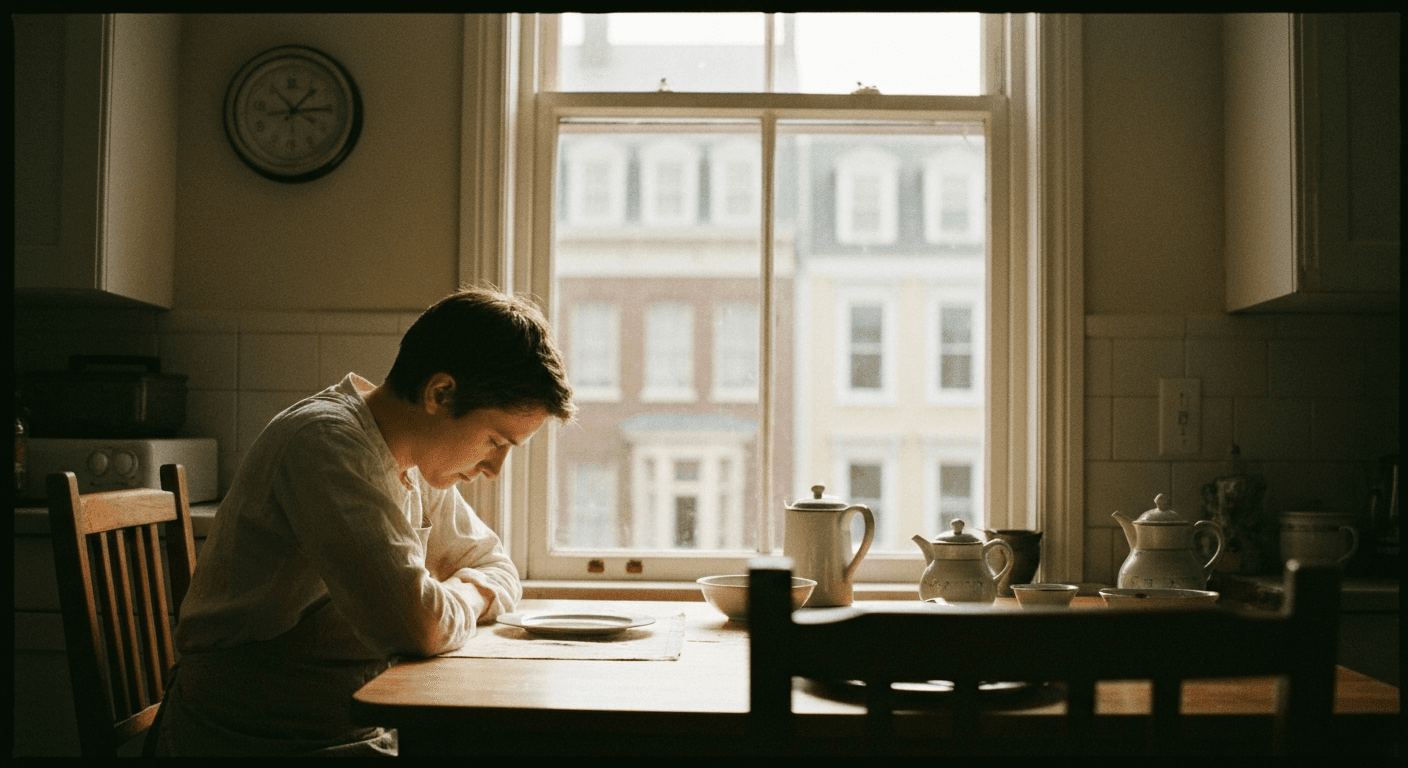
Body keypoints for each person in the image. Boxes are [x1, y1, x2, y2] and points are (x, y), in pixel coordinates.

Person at [153, 287, 575, 756]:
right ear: (441, 393)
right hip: (253, 739)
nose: (495, 469)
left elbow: (496, 566)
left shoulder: (414, 458)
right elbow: (419, 627)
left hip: (344, 727)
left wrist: (459, 593)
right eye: (496, 440)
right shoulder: (326, 445)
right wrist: (473, 593)